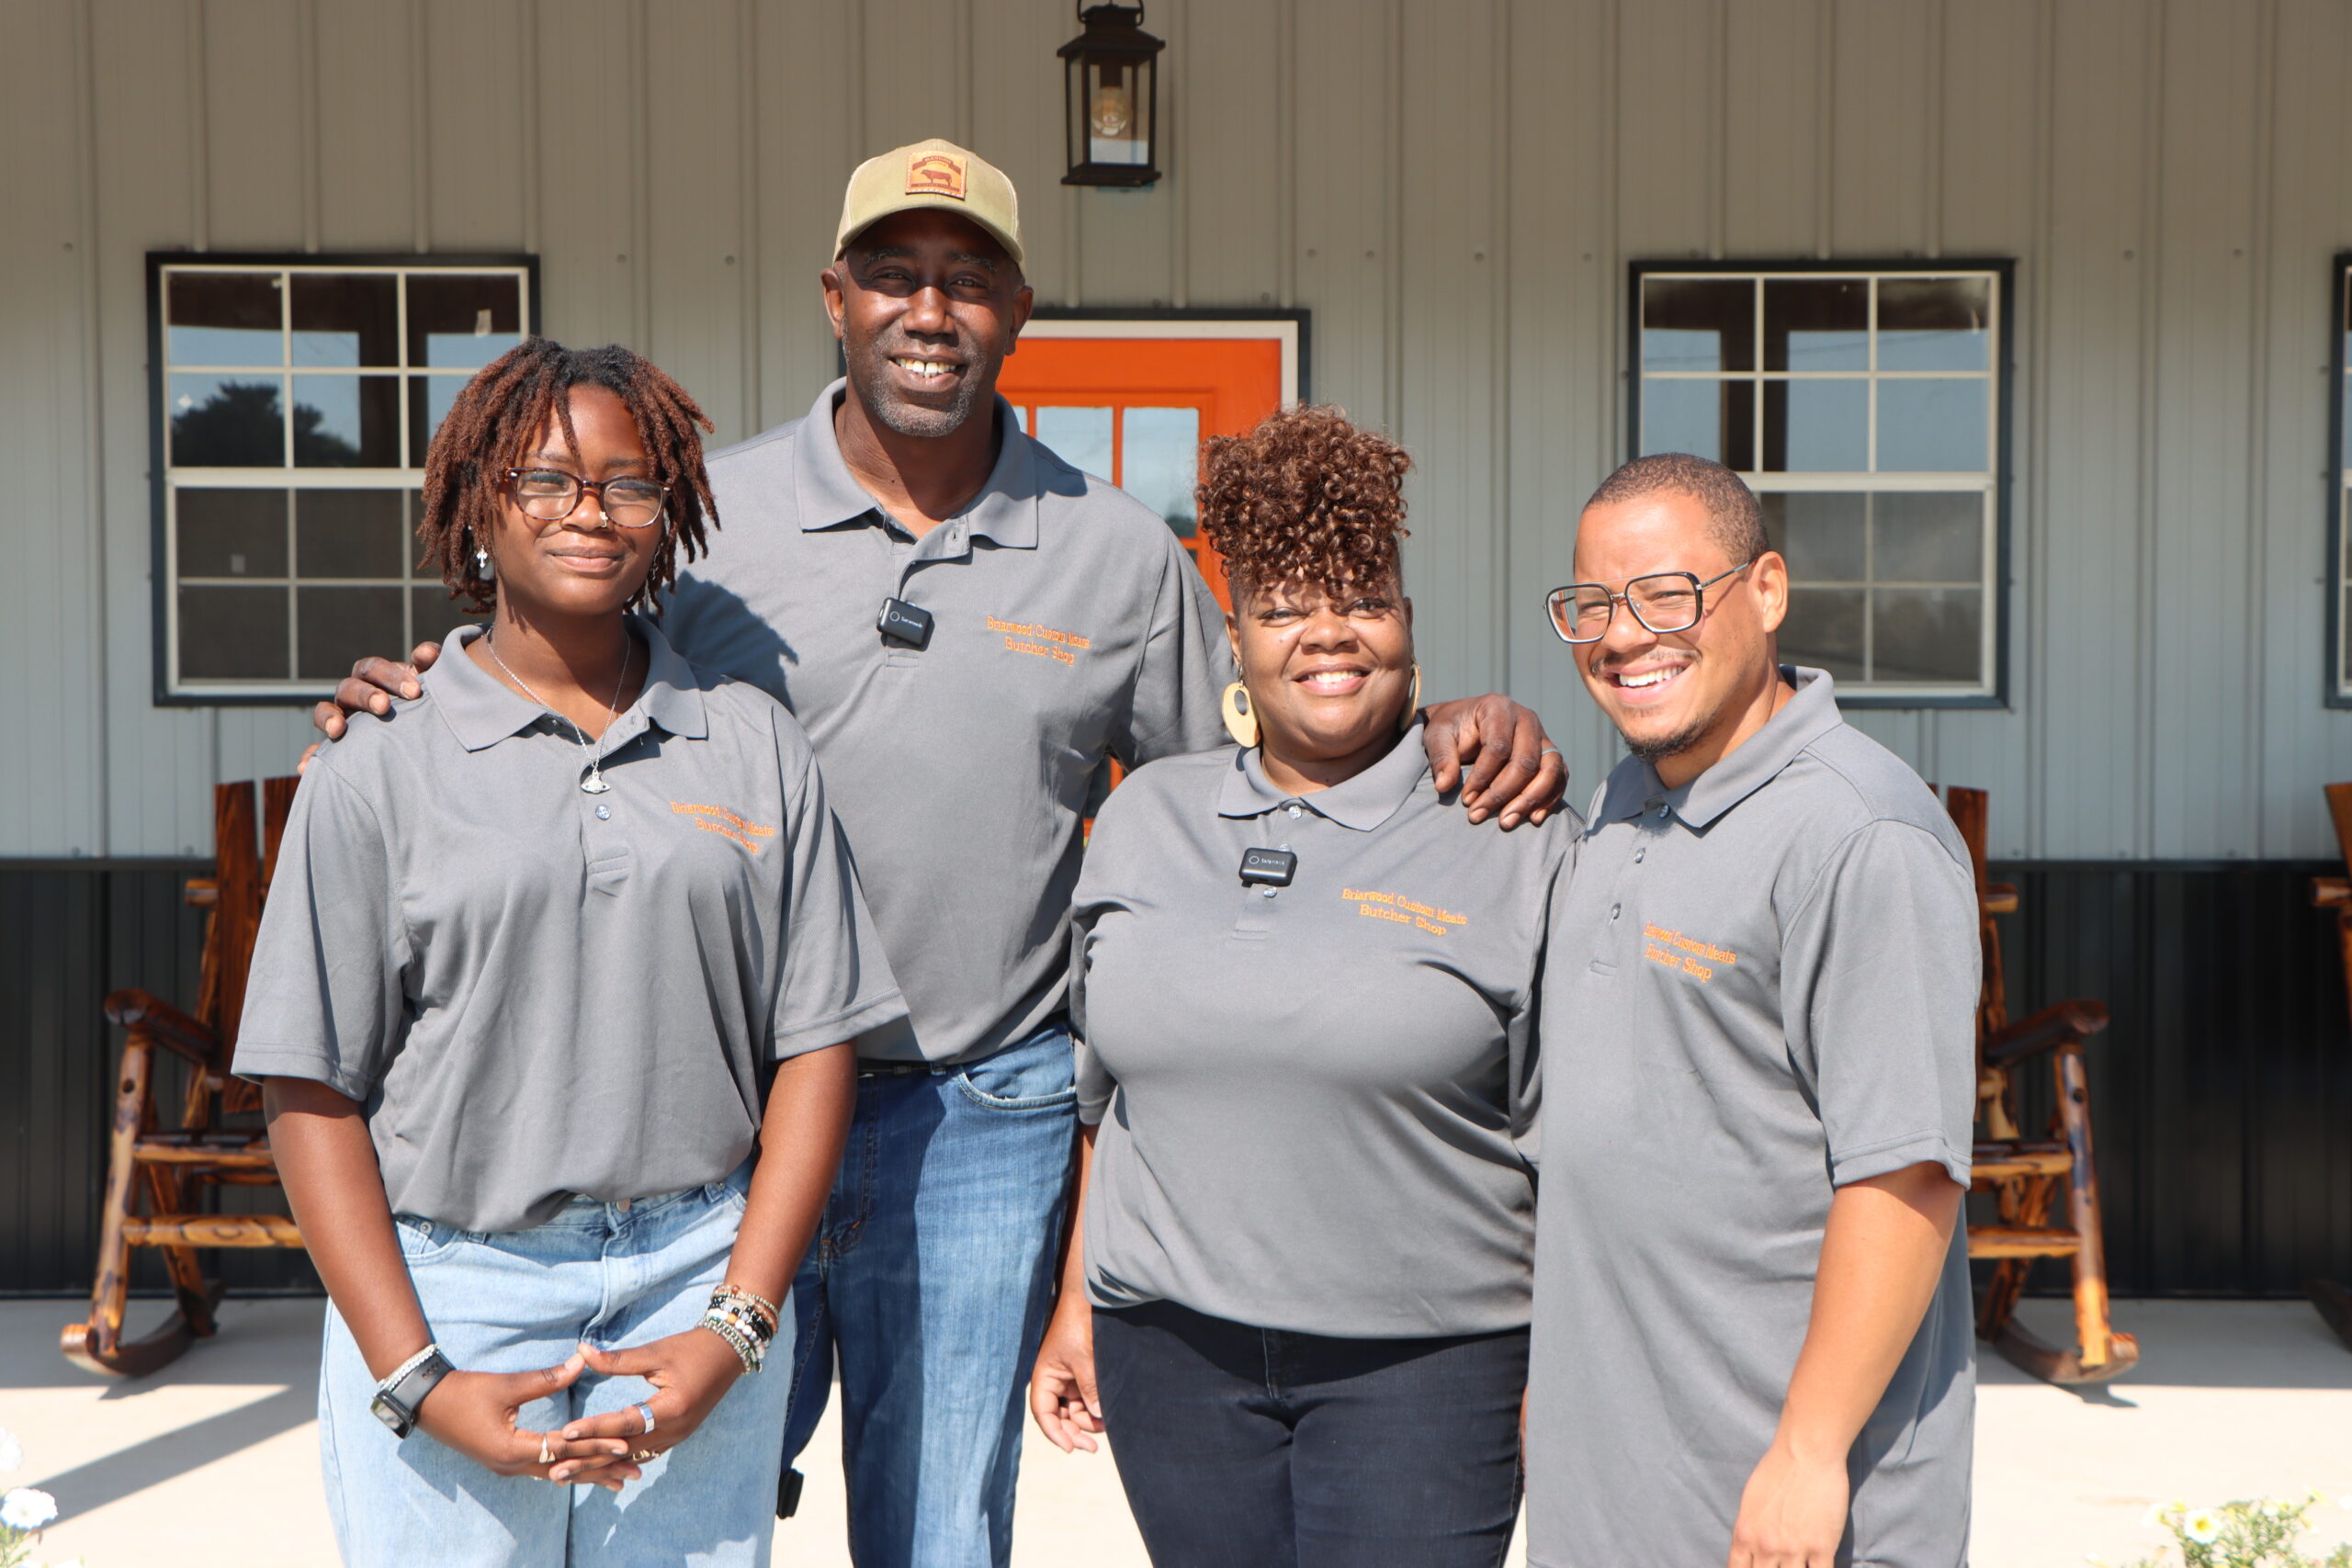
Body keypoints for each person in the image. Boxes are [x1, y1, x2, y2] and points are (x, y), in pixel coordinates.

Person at [313, 141, 1567, 1568]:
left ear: (1018, 310)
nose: (930, 309)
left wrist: (1442, 725)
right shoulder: (704, 526)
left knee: (939, 1530)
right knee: (680, 1508)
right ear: (834, 299)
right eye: (894, 275)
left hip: (987, 1112)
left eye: (968, 280)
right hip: (733, 1135)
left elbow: (1253, 773)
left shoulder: (1112, 551)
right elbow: (566, 663)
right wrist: (422, 684)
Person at [242, 339, 904, 1566]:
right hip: (455, 1288)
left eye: (628, 483)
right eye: (544, 478)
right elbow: (308, 1085)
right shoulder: (379, 762)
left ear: (670, 510)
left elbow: (817, 1046)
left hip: (696, 1278)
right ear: (478, 503)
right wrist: (417, 1374)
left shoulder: (752, 745)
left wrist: (737, 1326)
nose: (589, 510)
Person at [1028, 407, 1567, 1567]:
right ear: (1235, 640)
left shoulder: (1509, 831)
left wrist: (1567, 1368)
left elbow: (1569, 1143)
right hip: (1171, 1356)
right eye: (1281, 609)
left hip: (1428, 1369)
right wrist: (1077, 1302)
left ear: (1408, 625)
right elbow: (1107, 1106)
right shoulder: (1144, 819)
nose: (1326, 633)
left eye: (1362, 600)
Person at [1523, 452, 1978, 1568]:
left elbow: (1906, 1175)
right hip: (1616, 1488)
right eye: (1591, 605)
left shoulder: (1860, 835)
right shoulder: (1624, 799)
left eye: (1666, 595)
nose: (1623, 636)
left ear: (1766, 590)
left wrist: (1808, 1454)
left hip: (1778, 1502)